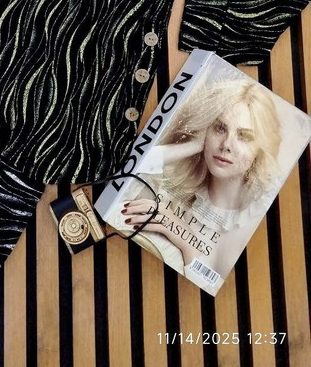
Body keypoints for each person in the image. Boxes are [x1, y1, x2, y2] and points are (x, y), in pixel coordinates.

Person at [109, 79, 282, 283]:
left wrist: (184, 237)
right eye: (220, 128)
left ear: (261, 148)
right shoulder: (177, 186)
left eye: (244, 136)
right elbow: (124, 170)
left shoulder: (257, 218)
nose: (226, 145)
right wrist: (192, 146)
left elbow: (211, 285)